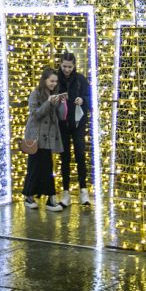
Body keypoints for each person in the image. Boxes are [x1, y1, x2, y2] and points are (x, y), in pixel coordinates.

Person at [22, 68, 65, 212]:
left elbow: (60, 116)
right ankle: (30, 196)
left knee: (47, 167)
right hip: (36, 137)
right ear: (45, 80)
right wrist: (48, 102)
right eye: (51, 81)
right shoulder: (36, 94)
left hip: (48, 137)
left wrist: (61, 103)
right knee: (34, 167)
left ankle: (49, 198)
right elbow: (35, 114)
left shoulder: (54, 94)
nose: (54, 84)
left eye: (55, 81)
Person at [56, 52, 92, 206]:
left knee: (80, 154)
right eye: (64, 66)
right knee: (64, 157)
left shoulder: (81, 79)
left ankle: (83, 190)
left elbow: (89, 98)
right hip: (62, 123)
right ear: (60, 64)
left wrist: (83, 100)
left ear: (75, 66)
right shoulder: (56, 78)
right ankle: (66, 193)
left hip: (78, 122)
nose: (67, 69)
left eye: (70, 67)